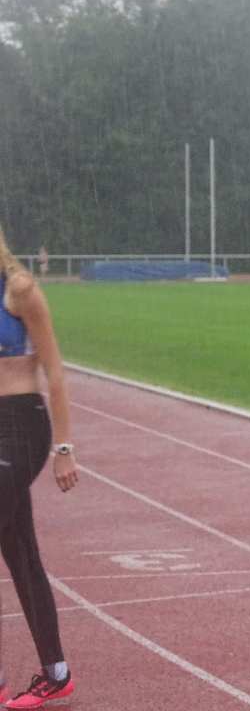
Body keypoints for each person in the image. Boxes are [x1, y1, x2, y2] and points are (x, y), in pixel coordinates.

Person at [0, 224, 78, 708]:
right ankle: (56, 673)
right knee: (21, 553)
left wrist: (64, 447)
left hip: (22, 427)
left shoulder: (20, 290)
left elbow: (55, 371)